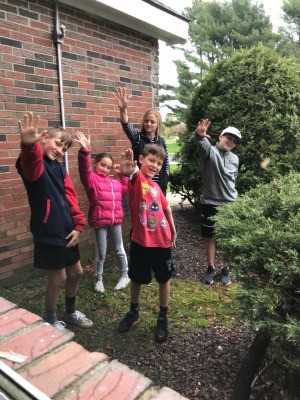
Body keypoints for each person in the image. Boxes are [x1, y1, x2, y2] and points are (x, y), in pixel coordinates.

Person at [15, 112, 93, 333]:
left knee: (76, 272)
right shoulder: (34, 164)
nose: (60, 151)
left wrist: (78, 226)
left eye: (64, 149)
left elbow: (70, 197)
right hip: (48, 232)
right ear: (44, 138)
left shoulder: (60, 168)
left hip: (67, 232)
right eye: (58, 144)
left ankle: (70, 312)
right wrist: (29, 145)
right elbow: (30, 163)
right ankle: (50, 320)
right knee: (58, 279)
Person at [118, 144, 177, 343]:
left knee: (163, 279)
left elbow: (167, 209)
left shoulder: (156, 186)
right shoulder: (137, 181)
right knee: (136, 277)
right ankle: (134, 312)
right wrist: (131, 171)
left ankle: (163, 316)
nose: (155, 165)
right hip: (141, 242)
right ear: (142, 159)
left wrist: (174, 231)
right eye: (151, 160)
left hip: (162, 242)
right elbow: (133, 173)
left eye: (159, 163)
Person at [75, 131, 130, 293]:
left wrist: (121, 174)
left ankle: (125, 275)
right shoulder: (92, 180)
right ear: (95, 164)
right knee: (102, 253)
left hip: (116, 222)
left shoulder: (115, 183)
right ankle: (98, 279)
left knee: (120, 249)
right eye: (102, 165)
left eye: (108, 167)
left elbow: (125, 189)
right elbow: (84, 170)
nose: (105, 169)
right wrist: (85, 151)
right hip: (100, 222)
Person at [194, 119, 241, 285]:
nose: (231, 141)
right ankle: (211, 266)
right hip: (209, 202)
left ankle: (226, 268)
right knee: (210, 237)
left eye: (234, 141)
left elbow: (228, 177)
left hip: (229, 204)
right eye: (228, 137)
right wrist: (200, 136)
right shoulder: (209, 152)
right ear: (220, 136)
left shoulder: (235, 159)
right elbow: (202, 144)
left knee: (228, 238)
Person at [113, 86, 170, 195]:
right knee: (144, 210)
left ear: (158, 124)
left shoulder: (162, 141)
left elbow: (166, 162)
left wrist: (166, 175)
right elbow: (126, 125)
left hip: (159, 187)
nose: (149, 124)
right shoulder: (137, 138)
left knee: (158, 211)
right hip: (142, 185)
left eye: (152, 122)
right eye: (146, 121)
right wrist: (123, 109)